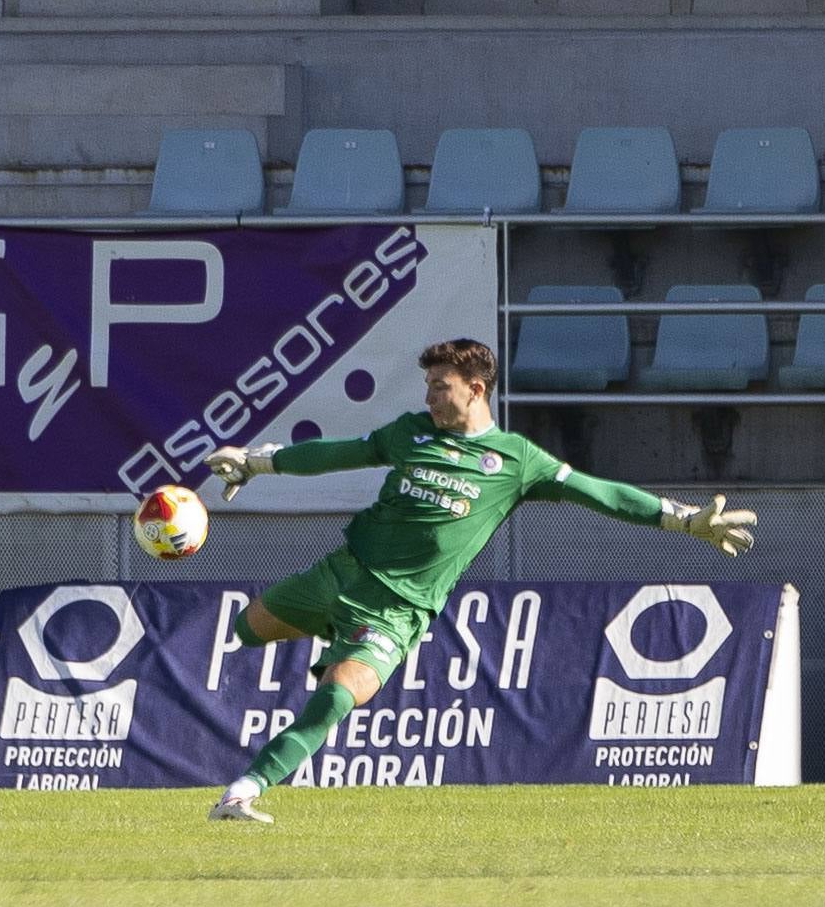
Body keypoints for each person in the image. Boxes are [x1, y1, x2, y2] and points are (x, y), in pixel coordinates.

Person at [201, 338, 756, 823]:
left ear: (476, 388)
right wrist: (257, 462)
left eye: (440, 387)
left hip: (397, 612)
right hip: (339, 574)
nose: (429, 398)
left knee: (335, 701)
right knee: (247, 630)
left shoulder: (517, 461)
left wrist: (681, 518)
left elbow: (600, 492)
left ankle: (243, 792)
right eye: (427, 386)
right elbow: (339, 454)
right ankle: (333, 635)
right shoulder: (410, 434)